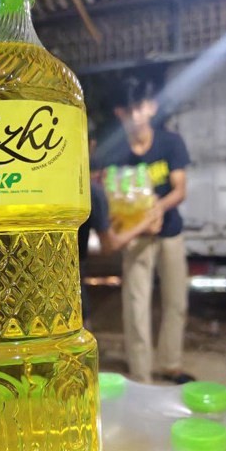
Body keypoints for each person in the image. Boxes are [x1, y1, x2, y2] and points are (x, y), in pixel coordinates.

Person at [93, 76, 195, 384]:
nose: (135, 115)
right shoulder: (114, 152)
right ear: (120, 113)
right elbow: (108, 191)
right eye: (128, 110)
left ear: (150, 107)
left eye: (140, 107)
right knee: (136, 304)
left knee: (176, 301)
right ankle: (140, 372)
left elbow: (179, 190)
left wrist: (156, 210)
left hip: (169, 232)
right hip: (136, 238)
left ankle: (170, 364)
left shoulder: (170, 143)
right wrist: (134, 222)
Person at [78, 135, 162, 325]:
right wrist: (145, 223)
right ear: (91, 145)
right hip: (74, 299)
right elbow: (110, 245)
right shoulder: (91, 191)